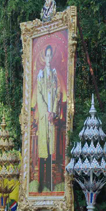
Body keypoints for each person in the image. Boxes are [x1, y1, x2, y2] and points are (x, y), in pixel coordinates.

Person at [36, 44, 59, 193]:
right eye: (47, 55)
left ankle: (49, 182)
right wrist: (46, 111)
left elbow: (57, 94)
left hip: (52, 117)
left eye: (51, 55)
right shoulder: (41, 74)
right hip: (44, 117)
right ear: (44, 57)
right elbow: (39, 95)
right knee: (43, 150)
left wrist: (54, 111)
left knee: (51, 150)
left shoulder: (54, 74)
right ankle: (40, 182)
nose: (49, 58)